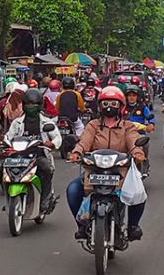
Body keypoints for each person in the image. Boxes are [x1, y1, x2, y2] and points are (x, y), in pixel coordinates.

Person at [66, 86, 146, 240]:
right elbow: (84, 142)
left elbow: (134, 142)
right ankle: (82, 226)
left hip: (120, 172)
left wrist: (137, 153)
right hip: (94, 171)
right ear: (100, 105)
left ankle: (133, 226)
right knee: (73, 190)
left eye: (114, 103)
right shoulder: (93, 125)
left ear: (121, 106)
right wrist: (77, 152)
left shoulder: (128, 126)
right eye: (106, 103)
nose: (109, 107)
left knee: (138, 193)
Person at [5, 89, 61, 210]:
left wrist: (51, 143)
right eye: (28, 104)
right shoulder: (17, 122)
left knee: (46, 169)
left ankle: (46, 198)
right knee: (1, 168)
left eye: (33, 104)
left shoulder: (46, 121)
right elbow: (9, 136)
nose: (30, 107)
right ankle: (8, 197)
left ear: (39, 105)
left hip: (38, 155)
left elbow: (57, 137)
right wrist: (3, 143)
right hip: (19, 156)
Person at [124, 85, 155, 177]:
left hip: (139, 134)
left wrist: (151, 124)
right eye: (129, 95)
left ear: (138, 97)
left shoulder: (142, 107)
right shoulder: (122, 107)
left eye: (134, 95)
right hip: (122, 133)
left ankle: (144, 161)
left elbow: (150, 118)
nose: (131, 97)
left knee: (145, 144)